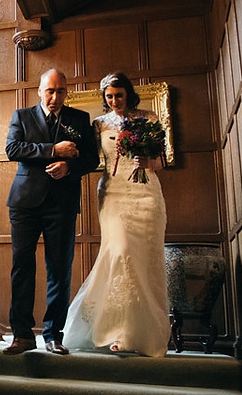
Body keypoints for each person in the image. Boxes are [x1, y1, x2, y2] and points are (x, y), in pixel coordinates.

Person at [62, 72, 170, 357]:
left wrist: (146, 160)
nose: (114, 101)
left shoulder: (149, 118)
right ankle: (117, 331)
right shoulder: (98, 125)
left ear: (128, 94)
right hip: (113, 194)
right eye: (109, 97)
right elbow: (88, 157)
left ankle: (143, 333)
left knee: (145, 260)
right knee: (120, 251)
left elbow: (161, 161)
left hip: (146, 194)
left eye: (118, 95)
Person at [4, 69, 99, 355]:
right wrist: (53, 150)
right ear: (40, 91)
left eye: (60, 91)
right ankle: (21, 335)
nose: (55, 97)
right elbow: (12, 149)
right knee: (22, 267)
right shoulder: (21, 116)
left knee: (59, 270)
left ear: (66, 92)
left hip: (63, 204)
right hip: (25, 203)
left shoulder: (80, 119)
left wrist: (69, 167)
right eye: (50, 91)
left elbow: (92, 159)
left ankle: (53, 335)